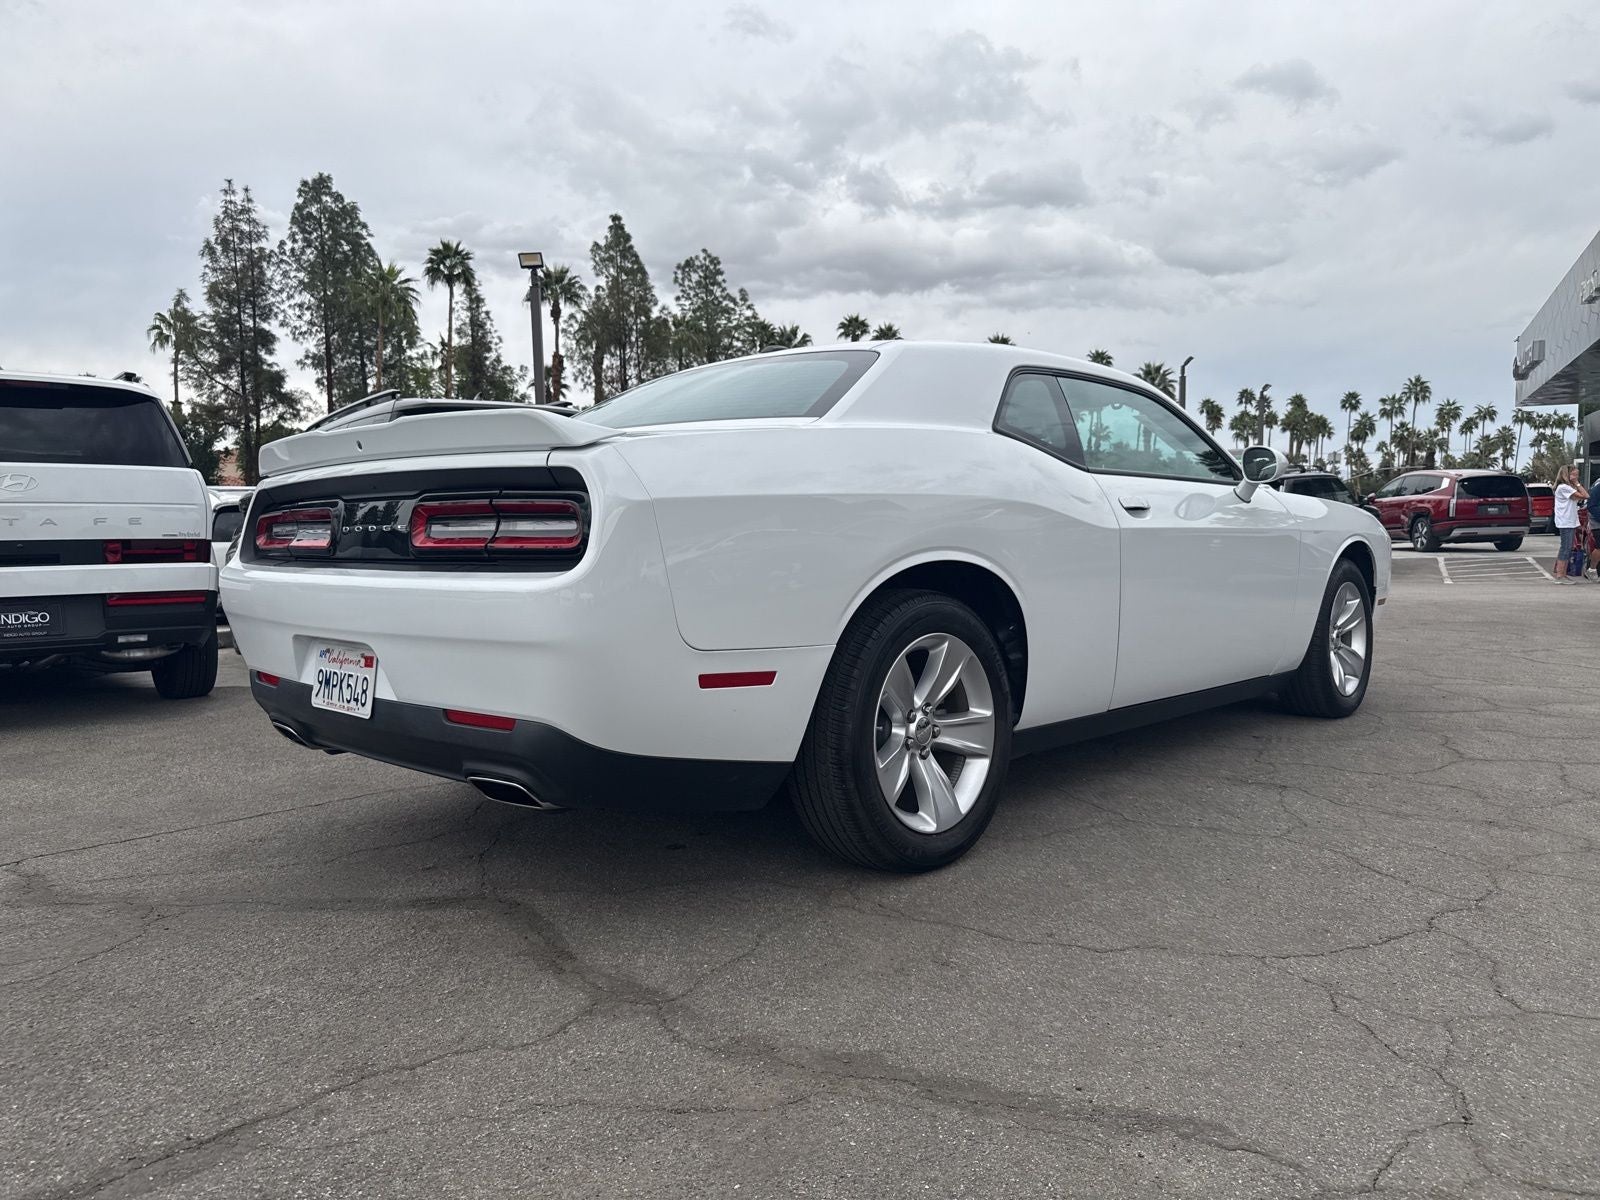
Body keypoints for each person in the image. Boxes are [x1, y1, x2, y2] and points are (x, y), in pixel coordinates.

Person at [1551, 465, 1588, 583]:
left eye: (1577, 475)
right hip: (1565, 521)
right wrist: (1576, 483)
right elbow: (1585, 495)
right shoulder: (1563, 487)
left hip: (1569, 521)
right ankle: (1560, 575)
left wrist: (1575, 483)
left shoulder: (1567, 488)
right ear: (1567, 475)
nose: (1576, 477)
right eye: (1574, 475)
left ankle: (1563, 573)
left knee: (1567, 547)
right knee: (1565, 548)